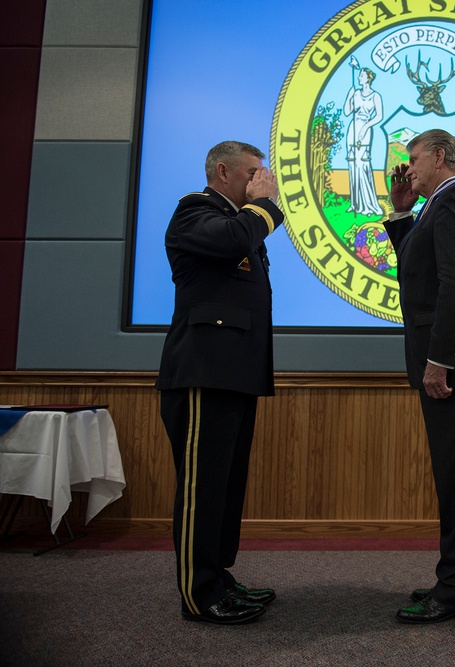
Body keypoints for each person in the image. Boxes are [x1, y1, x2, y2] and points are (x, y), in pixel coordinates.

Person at [156, 141, 284, 625]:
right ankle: (198, 593)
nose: (262, 180)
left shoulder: (239, 220)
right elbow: (234, 241)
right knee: (202, 488)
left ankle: (219, 577)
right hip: (201, 374)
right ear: (222, 171)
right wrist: (266, 205)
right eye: (253, 173)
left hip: (235, 375)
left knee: (227, 486)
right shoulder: (194, 211)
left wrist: (257, 210)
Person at [384, 129, 455, 624]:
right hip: (448, 358)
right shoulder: (438, 205)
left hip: (452, 363)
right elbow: (421, 271)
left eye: (413, 158)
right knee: (453, 474)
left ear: (439, 155)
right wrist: (402, 213)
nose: (408, 168)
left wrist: (440, 359)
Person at [344, 59, 384, 216]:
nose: (359, 78)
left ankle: (367, 204)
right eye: (359, 75)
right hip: (353, 129)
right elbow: (348, 111)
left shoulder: (375, 96)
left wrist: (366, 127)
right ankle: (355, 204)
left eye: (362, 75)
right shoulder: (355, 93)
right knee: (353, 166)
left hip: (365, 130)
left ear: (368, 78)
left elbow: (379, 116)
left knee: (362, 165)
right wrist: (349, 95)